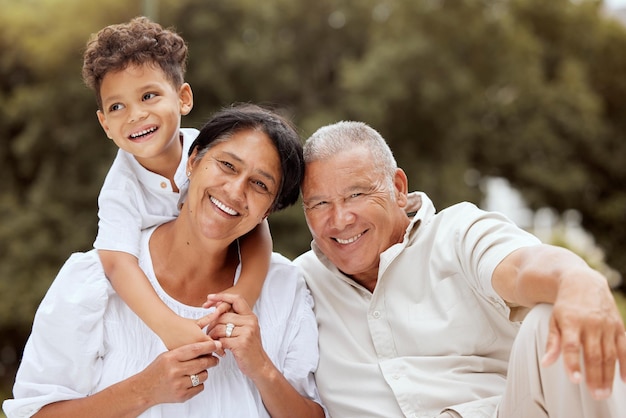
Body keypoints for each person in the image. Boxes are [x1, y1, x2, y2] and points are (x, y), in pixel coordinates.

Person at [2, 104, 326, 418]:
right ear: (193, 161)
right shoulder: (92, 281)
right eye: (227, 165)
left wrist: (261, 367)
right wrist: (144, 390)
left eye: (259, 184)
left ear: (268, 210)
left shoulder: (285, 287)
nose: (235, 191)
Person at [293, 120, 626, 418]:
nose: (339, 220)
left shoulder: (457, 233)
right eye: (320, 203)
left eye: (356, 194)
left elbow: (522, 266)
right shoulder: (298, 283)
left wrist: (577, 279)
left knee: (555, 317)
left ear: (397, 188)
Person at [82, 16, 272, 350]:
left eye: (149, 96)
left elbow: (257, 226)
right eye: (117, 106)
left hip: (214, 275)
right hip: (164, 292)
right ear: (105, 124)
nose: (135, 115)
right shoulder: (120, 188)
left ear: (183, 98)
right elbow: (116, 262)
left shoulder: (213, 158)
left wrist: (243, 294)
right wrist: (167, 327)